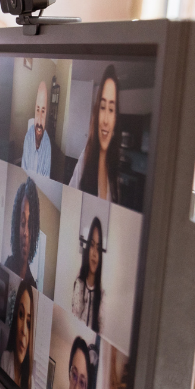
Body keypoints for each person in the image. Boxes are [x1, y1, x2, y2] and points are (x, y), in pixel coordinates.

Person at [69, 65, 121, 202]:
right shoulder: (85, 159)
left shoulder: (115, 169)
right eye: (102, 107)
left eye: (111, 109)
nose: (105, 120)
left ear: (116, 118)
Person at [0, 279, 36, 389]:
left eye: (29, 323)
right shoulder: (5, 358)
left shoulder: (31, 383)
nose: (24, 331)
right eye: (21, 314)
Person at [4, 179, 40, 284]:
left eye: (30, 226)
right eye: (23, 223)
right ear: (16, 225)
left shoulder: (32, 284)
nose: (26, 233)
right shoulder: (7, 266)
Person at [71, 217, 105, 331]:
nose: (94, 253)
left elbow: (101, 329)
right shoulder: (79, 284)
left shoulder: (102, 295)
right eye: (91, 245)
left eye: (98, 248)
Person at [21, 80, 51, 178]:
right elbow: (23, 171)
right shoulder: (27, 138)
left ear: (46, 114)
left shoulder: (48, 145)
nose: (39, 118)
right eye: (38, 110)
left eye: (43, 111)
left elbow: (46, 178)